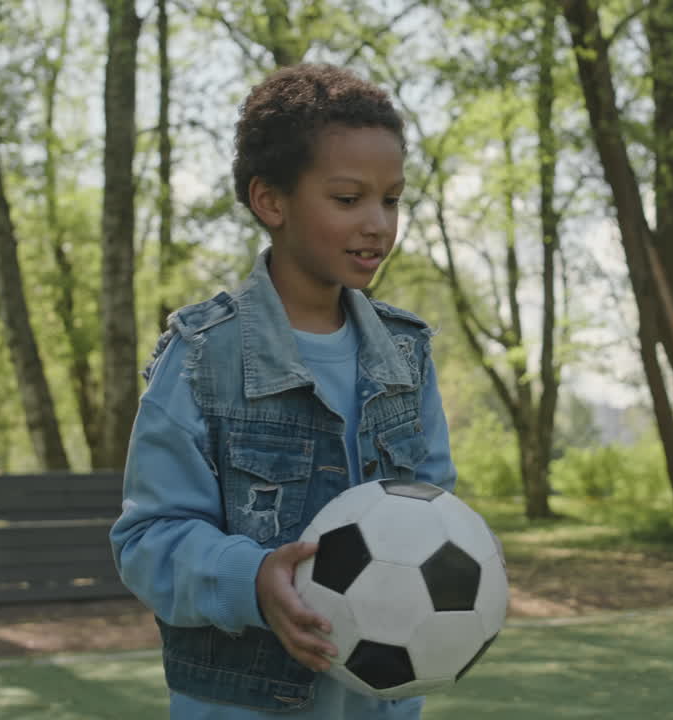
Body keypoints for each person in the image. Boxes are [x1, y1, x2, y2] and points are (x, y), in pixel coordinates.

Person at [110, 63, 457, 719]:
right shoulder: (200, 356)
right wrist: (253, 580)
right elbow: (149, 540)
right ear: (271, 201)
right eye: (349, 199)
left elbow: (435, 513)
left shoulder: (407, 356)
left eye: (392, 199)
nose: (379, 224)